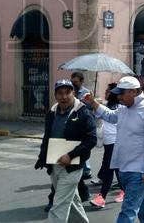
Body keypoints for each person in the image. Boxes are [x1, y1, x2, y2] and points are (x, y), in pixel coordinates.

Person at [83, 76, 144, 223]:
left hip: (139, 169)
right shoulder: (123, 109)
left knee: (128, 211)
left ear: (133, 91)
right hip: (123, 167)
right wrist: (93, 103)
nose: (118, 97)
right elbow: (109, 116)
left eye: (122, 93)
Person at [35, 80, 96, 223]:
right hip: (55, 163)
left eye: (67, 92)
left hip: (73, 166)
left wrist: (71, 155)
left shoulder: (83, 112)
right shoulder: (52, 112)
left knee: (59, 205)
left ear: (73, 93)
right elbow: (47, 136)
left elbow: (91, 140)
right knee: (72, 201)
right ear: (55, 95)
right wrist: (42, 157)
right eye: (60, 93)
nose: (64, 96)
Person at [90, 84, 125, 209]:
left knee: (110, 168)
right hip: (107, 141)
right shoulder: (105, 106)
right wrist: (93, 104)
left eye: (108, 91)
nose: (106, 93)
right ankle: (123, 190)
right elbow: (96, 117)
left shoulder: (121, 107)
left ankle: (102, 197)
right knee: (114, 168)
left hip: (116, 141)